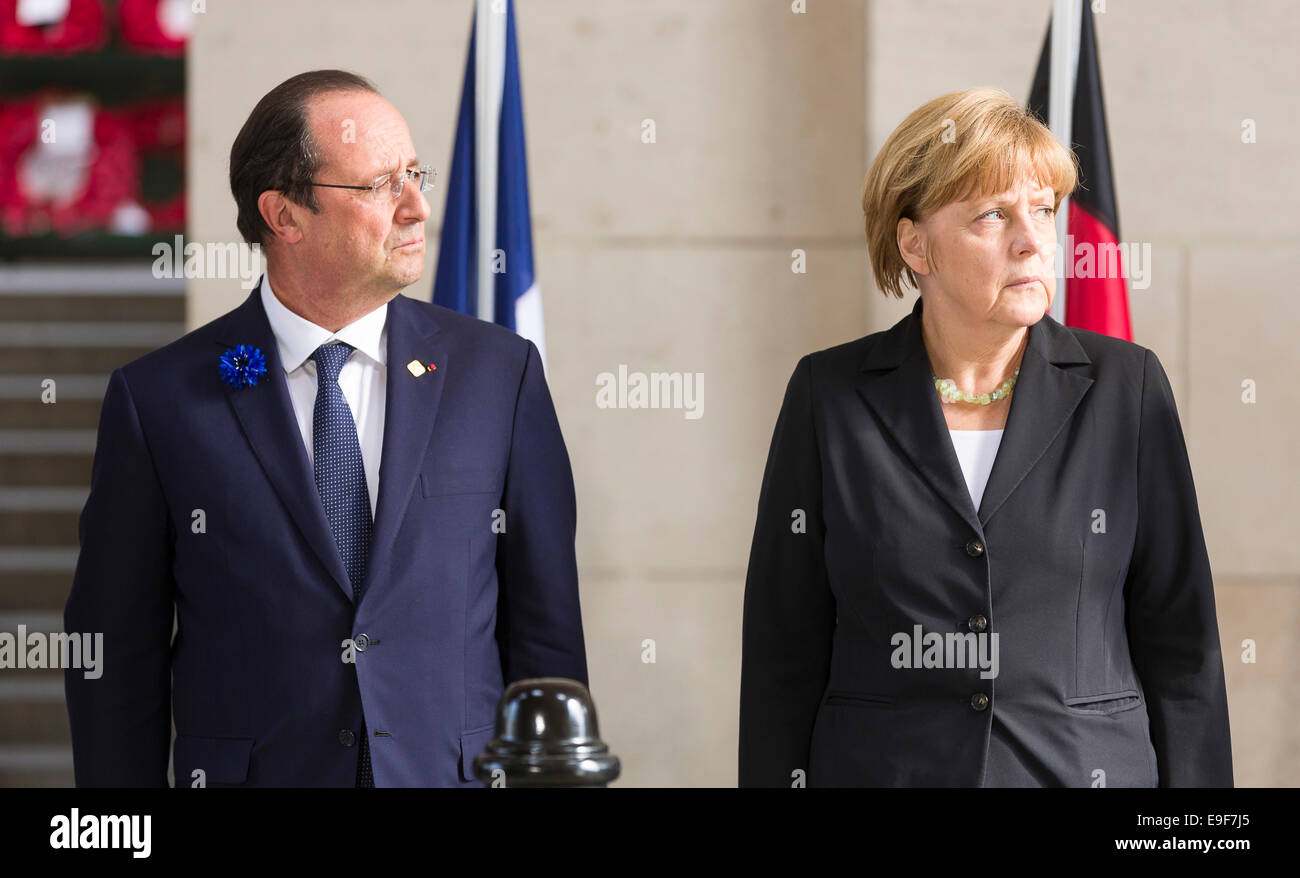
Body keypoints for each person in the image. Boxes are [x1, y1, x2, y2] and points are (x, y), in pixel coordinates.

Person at [64, 70, 587, 787]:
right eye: (379, 186)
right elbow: (117, 663)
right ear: (284, 216)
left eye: (414, 174)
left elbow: (547, 640)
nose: (417, 207)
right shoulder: (156, 401)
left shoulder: (500, 376)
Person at [738, 87, 1232, 787]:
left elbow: (1183, 647)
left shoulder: (1129, 389)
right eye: (993, 215)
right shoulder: (830, 396)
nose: (1031, 240)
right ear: (916, 244)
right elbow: (782, 654)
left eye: (1043, 210)